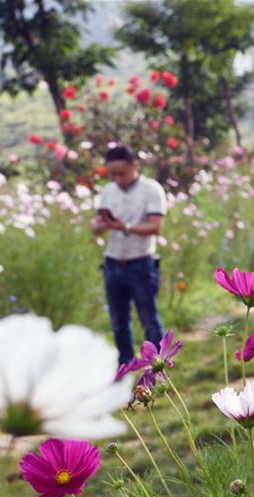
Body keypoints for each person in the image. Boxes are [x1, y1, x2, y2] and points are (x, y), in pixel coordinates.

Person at [91, 145, 167, 367]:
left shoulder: (151, 189)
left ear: (135, 166)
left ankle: (160, 364)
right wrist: (100, 226)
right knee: (118, 321)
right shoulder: (108, 192)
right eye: (112, 173)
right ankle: (125, 365)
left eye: (121, 173)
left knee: (149, 319)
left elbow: (155, 227)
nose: (117, 178)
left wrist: (124, 226)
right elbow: (97, 227)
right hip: (112, 263)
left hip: (141, 263)